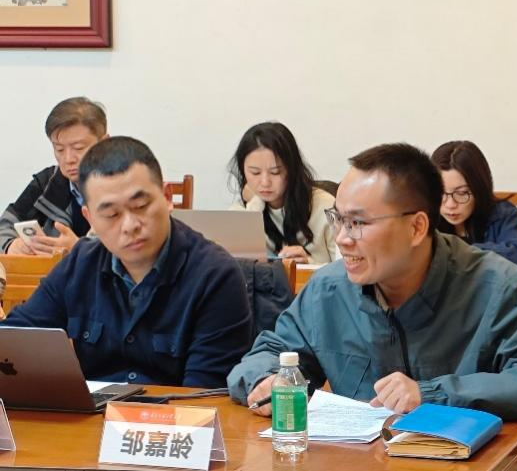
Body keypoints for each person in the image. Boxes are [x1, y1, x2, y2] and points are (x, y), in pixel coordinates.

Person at [228, 143, 517, 469]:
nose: (342, 238)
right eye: (338, 219)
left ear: (417, 227)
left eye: (358, 223)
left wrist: (431, 394)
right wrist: (267, 378)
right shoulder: (329, 289)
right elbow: (272, 352)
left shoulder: (497, 286)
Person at [1, 136, 253, 388]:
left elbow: (203, 397)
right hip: (92, 412)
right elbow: (14, 340)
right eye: (111, 214)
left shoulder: (215, 276)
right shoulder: (79, 265)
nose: (130, 225)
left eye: (141, 206)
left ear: (167, 197)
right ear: (90, 218)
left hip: (176, 412)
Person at [0, 97, 108, 256]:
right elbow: (5, 225)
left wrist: (80, 250)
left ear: (104, 143)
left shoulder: (125, 186)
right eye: (59, 149)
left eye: (78, 148)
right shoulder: (47, 182)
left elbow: (137, 253)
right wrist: (12, 245)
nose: (68, 159)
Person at [228, 122, 336, 264]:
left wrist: (308, 264)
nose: (265, 182)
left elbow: (346, 268)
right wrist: (255, 205)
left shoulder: (326, 207)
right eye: (255, 172)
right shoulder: (239, 213)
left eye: (275, 172)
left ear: (292, 169)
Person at [431, 140, 517, 270]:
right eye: (441, 192)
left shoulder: (503, 214)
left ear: (479, 188)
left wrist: (455, 251)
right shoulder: (425, 215)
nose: (450, 204)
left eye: (462, 193)